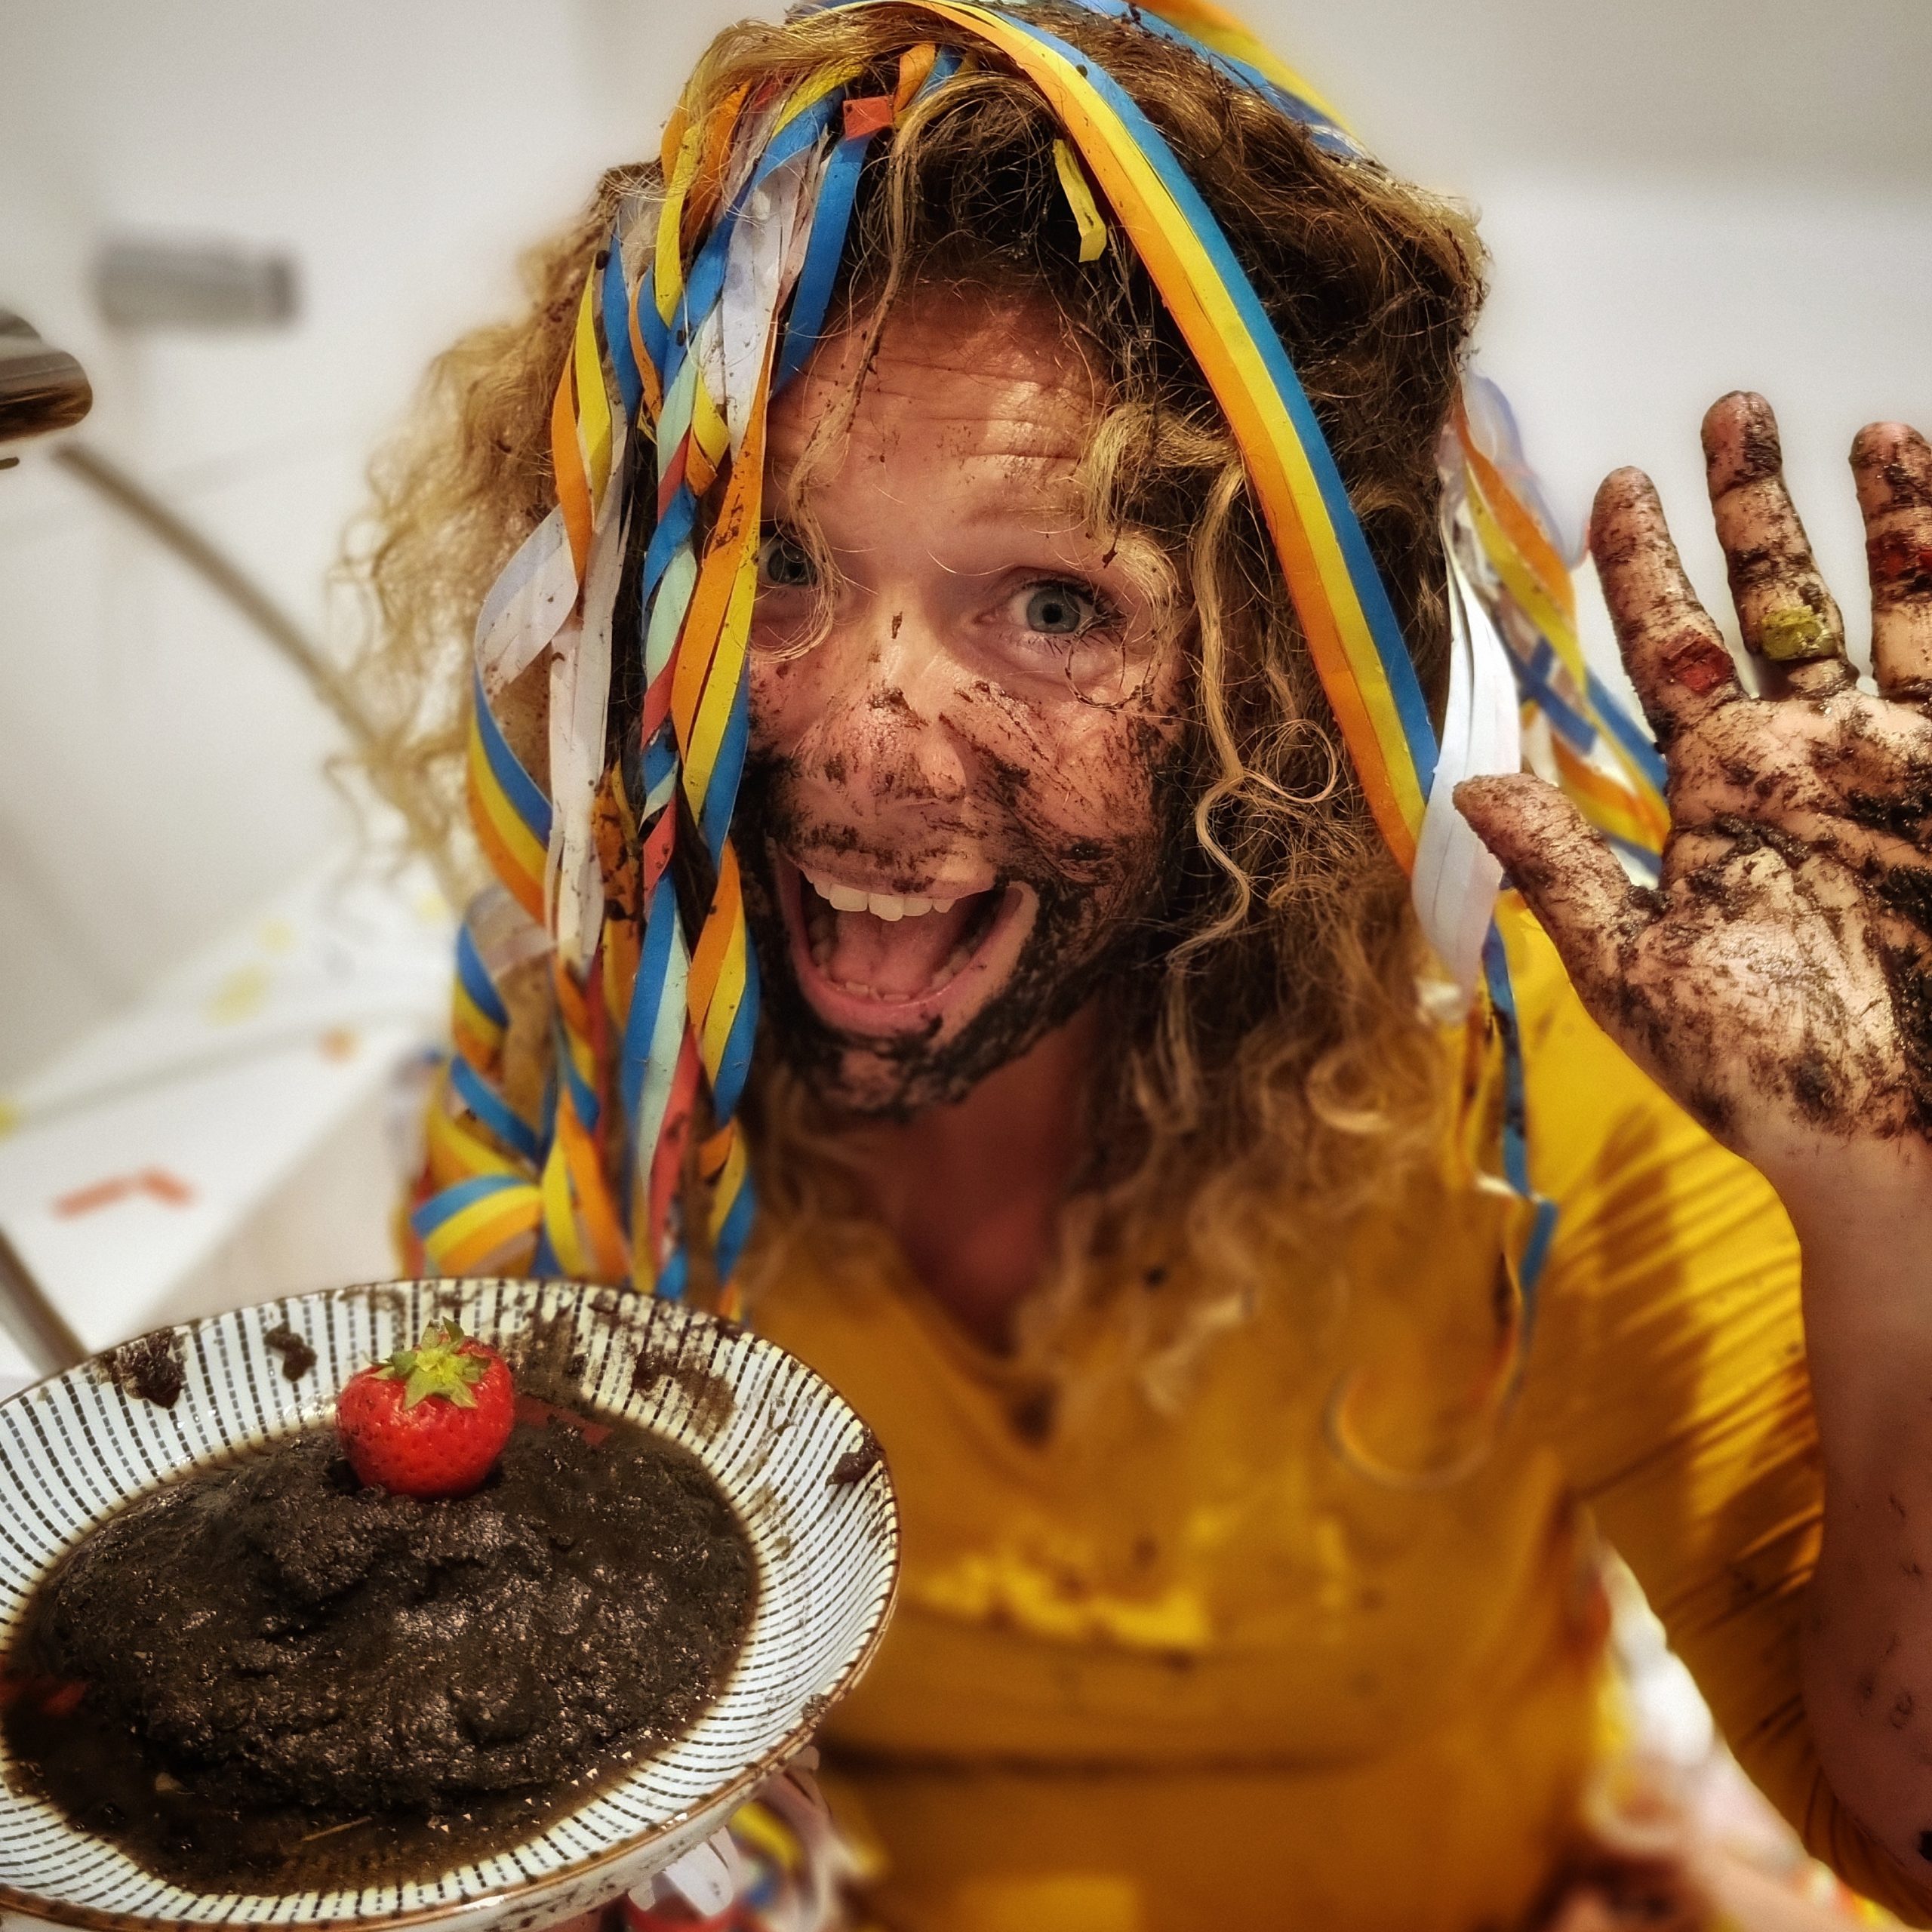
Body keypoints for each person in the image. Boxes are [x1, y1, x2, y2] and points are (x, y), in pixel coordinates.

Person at [355, 2, 1932, 1924]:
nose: (860, 743)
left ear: (1271, 680)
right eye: (773, 563)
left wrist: (1885, 1205)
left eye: (1050, 602)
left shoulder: (1504, 1061)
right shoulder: (605, 1071)